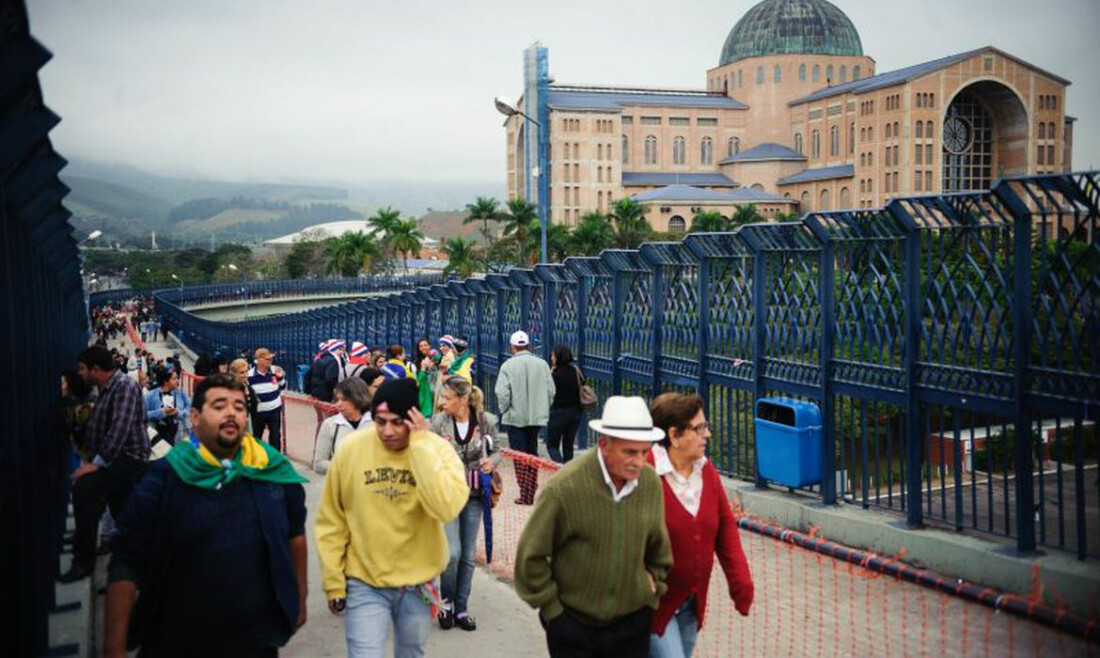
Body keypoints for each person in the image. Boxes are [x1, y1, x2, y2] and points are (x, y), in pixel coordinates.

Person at [103, 374, 309, 657]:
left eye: (239, 407)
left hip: (256, 641)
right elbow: (126, 559)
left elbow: (295, 535)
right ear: (196, 417)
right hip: (176, 640)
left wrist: (300, 595)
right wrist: (113, 647)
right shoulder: (164, 478)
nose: (231, 413)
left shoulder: (271, 471)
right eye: (219, 405)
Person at [315, 378, 468, 658]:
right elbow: (331, 520)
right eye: (380, 421)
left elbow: (446, 508)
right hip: (364, 581)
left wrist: (420, 447)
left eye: (397, 422)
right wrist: (334, 579)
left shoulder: (437, 449)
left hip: (418, 583)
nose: (387, 431)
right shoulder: (351, 450)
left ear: (414, 417)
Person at [514, 396, 673, 658]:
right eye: (630, 452)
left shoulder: (650, 484)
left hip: (632, 626)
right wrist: (554, 612)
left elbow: (659, 549)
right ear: (604, 445)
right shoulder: (565, 487)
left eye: (645, 452)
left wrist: (652, 591)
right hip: (574, 628)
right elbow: (530, 557)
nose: (639, 462)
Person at [646, 393, 754, 658]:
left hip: (692, 601)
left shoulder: (706, 471)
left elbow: (726, 528)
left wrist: (740, 581)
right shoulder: (646, 473)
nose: (708, 434)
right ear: (674, 435)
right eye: (699, 428)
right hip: (653, 603)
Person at [60, 346, 151, 583]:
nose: (79, 374)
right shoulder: (106, 388)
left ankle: (84, 561)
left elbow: (119, 428)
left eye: (82, 368)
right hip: (117, 457)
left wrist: (96, 464)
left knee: (85, 490)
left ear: (96, 369)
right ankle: (138, 557)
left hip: (129, 457)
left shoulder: (124, 386)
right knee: (122, 508)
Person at [429, 376, 501, 632]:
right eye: (442, 397)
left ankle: (461, 609)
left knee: (468, 555)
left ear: (462, 399)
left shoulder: (486, 421)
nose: (441, 402)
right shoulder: (438, 423)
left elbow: (498, 450)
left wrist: (492, 462)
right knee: (452, 554)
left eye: (447, 398)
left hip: (474, 496)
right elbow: (427, 452)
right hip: (448, 496)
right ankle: (445, 604)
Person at [494, 330, 554, 505]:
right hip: (536, 417)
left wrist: (504, 410)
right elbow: (551, 390)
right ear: (528, 345)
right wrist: (542, 407)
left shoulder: (507, 366)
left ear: (513, 347)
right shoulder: (542, 364)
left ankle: (525, 491)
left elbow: (502, 393)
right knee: (532, 452)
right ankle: (531, 489)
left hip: (514, 417)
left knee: (519, 455)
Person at [312, 377, 372, 475]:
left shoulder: (376, 423)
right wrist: (343, 467)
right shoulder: (330, 425)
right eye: (337, 400)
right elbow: (318, 463)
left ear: (358, 398)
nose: (338, 404)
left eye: (344, 399)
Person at [547, 345, 583, 463]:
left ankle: (560, 468)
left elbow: (548, 390)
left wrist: (551, 371)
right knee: (568, 446)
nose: (551, 358)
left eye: (553, 355)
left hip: (558, 412)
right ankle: (568, 471)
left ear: (558, 356)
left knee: (552, 446)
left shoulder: (555, 375)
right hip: (574, 412)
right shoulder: (575, 370)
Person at [248, 347, 287, 451]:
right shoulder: (250, 375)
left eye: (271, 359)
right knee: (257, 435)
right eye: (267, 359)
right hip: (258, 411)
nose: (270, 361)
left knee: (275, 435)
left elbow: (283, 386)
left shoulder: (275, 370)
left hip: (275, 408)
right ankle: (255, 459)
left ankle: (276, 459)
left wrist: (280, 378)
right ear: (259, 360)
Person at [144, 367, 191, 447]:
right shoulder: (151, 395)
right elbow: (142, 414)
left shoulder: (182, 392)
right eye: (174, 379)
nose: (177, 381)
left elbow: (190, 409)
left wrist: (178, 413)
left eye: (177, 378)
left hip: (180, 435)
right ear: (166, 381)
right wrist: (161, 412)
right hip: (158, 437)